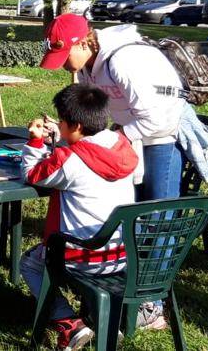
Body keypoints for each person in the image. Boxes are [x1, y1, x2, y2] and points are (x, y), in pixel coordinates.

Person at [18, 83, 138, 351]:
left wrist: (36, 140)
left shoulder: (69, 159)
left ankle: (68, 323)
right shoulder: (123, 146)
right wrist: (62, 137)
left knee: (28, 263)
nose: (58, 126)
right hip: (121, 252)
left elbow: (32, 174)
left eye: (61, 122)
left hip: (81, 257)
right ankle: (101, 322)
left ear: (77, 126)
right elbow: (90, 151)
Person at [38, 14, 185, 203]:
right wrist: (63, 129)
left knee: (157, 212)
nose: (62, 64)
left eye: (65, 57)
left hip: (162, 135)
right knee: (133, 207)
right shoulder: (85, 65)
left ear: (84, 44)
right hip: (131, 135)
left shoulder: (123, 61)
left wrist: (113, 138)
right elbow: (92, 114)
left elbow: (155, 119)